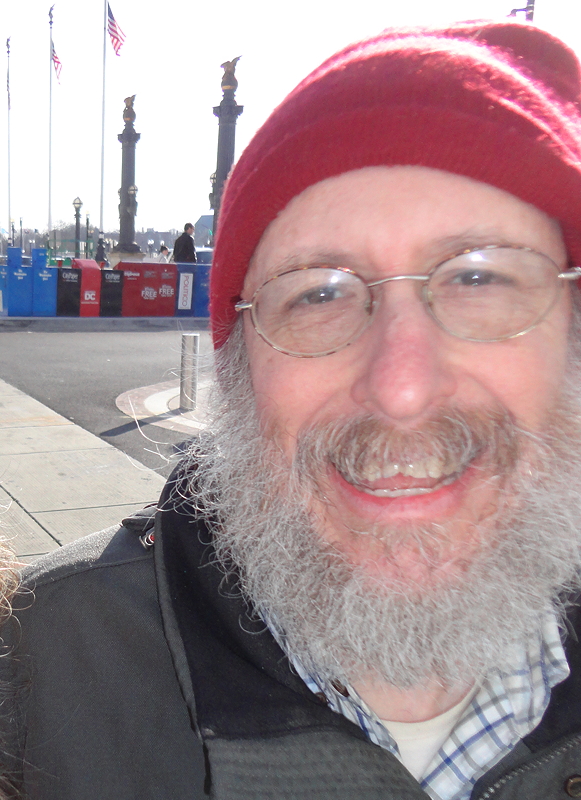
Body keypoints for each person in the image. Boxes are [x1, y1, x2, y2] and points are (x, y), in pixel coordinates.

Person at [4, 19, 581, 800]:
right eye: (317, 294)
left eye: (480, 279)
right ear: (238, 365)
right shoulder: (32, 670)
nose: (401, 388)